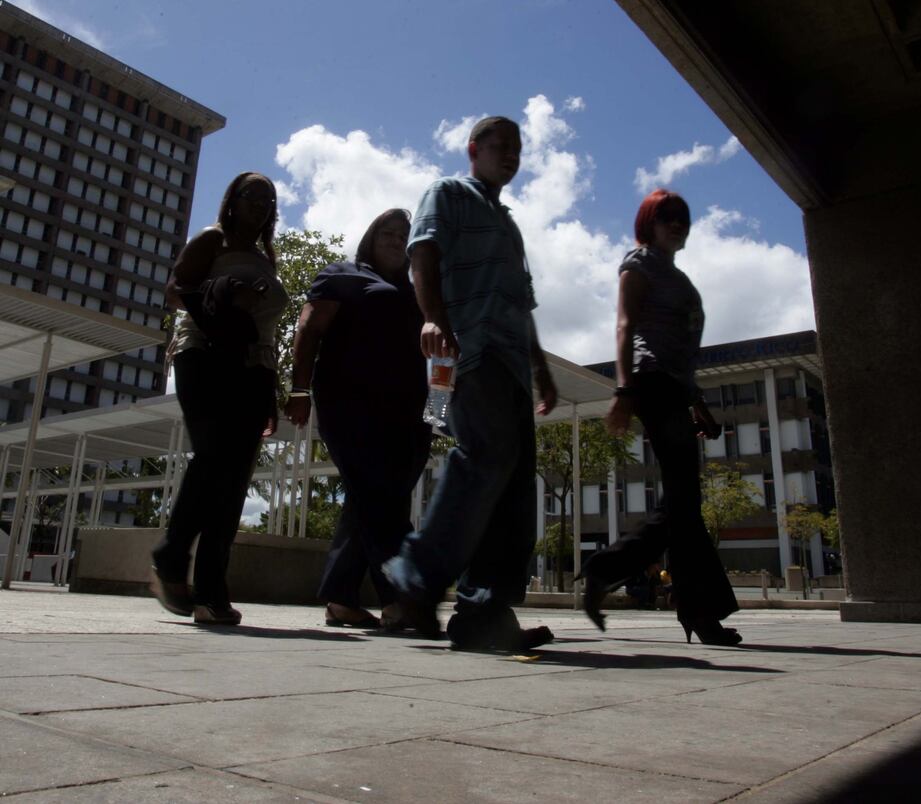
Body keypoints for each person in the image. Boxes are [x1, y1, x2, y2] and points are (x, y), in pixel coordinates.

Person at [383, 116, 558, 652]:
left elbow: (521, 305)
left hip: (508, 362)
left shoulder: (509, 225)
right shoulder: (447, 193)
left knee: (511, 484)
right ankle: (414, 576)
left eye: (518, 149)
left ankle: (483, 611)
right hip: (467, 349)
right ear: (473, 149)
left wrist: (541, 369)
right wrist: (433, 317)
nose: (510, 155)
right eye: (500, 146)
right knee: (485, 453)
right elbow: (423, 255)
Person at [578, 188, 742, 646]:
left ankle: (689, 607)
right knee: (684, 504)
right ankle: (690, 608)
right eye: (667, 216)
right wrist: (624, 389)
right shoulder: (639, 263)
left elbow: (683, 355)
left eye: (683, 218)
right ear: (648, 221)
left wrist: (699, 403)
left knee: (684, 506)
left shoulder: (680, 278)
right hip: (649, 382)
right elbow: (625, 326)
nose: (677, 224)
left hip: (674, 388)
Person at [285, 209, 432, 631]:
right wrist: (299, 389)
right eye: (388, 231)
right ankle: (401, 599)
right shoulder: (343, 275)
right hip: (350, 403)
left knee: (378, 497)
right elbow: (308, 330)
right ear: (370, 236)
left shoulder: (419, 291)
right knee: (377, 493)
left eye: (405, 234)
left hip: (409, 411)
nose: (396, 238)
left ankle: (341, 598)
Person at [151, 172, 286, 626]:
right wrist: (225, 293)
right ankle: (171, 556)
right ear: (233, 199)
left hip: (253, 368)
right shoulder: (214, 239)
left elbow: (265, 328)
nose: (262, 205)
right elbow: (174, 292)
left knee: (234, 480)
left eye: (269, 199)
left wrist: (272, 389)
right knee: (211, 457)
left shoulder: (267, 257)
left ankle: (211, 591)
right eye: (254, 196)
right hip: (204, 354)